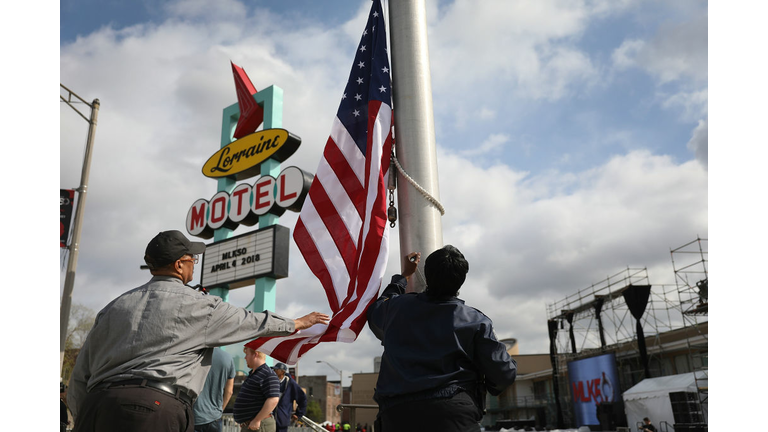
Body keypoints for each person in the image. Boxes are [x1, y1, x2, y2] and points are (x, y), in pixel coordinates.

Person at [67, 230, 330, 432]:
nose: (194, 263)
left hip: (96, 406)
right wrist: (295, 323)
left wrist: (82, 417)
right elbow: (250, 321)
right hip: (154, 409)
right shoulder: (200, 305)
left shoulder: (114, 306)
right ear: (179, 265)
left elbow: (81, 373)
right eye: (191, 258)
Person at [367, 245, 518, 432]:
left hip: (397, 415)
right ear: (461, 280)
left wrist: (403, 277)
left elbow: (376, 311)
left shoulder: (396, 308)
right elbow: (504, 373)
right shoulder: (476, 321)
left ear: (427, 275)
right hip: (454, 414)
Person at [233, 348, 279, 431]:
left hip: (259, 425)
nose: (245, 358)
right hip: (251, 425)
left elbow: (273, 399)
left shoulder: (267, 374)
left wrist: (257, 420)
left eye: (247, 354)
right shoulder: (254, 374)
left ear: (255, 354)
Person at [193, 348, 236, 432]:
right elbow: (229, 391)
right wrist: (220, 410)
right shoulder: (228, 358)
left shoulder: (194, 355)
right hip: (214, 418)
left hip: (194, 417)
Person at [271, 362, 307, 432]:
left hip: (282, 422)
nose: (274, 372)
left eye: (276, 370)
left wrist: (298, 414)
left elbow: (302, 398)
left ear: (282, 372)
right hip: (269, 420)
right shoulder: (271, 382)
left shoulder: (290, 383)